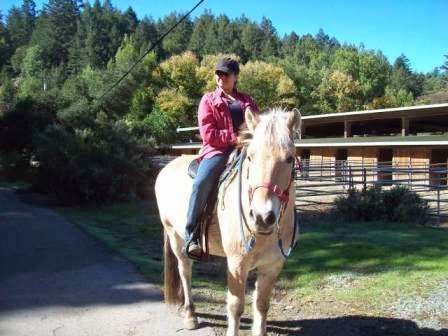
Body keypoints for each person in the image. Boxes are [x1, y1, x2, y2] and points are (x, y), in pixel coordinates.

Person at [185, 57, 259, 258]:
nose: (220, 77)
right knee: (201, 183)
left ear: (235, 77)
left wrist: (251, 138)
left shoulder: (247, 101)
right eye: (218, 73)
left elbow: (256, 125)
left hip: (246, 149)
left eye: (225, 73)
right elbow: (208, 134)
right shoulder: (208, 100)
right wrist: (235, 138)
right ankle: (191, 235)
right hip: (217, 151)